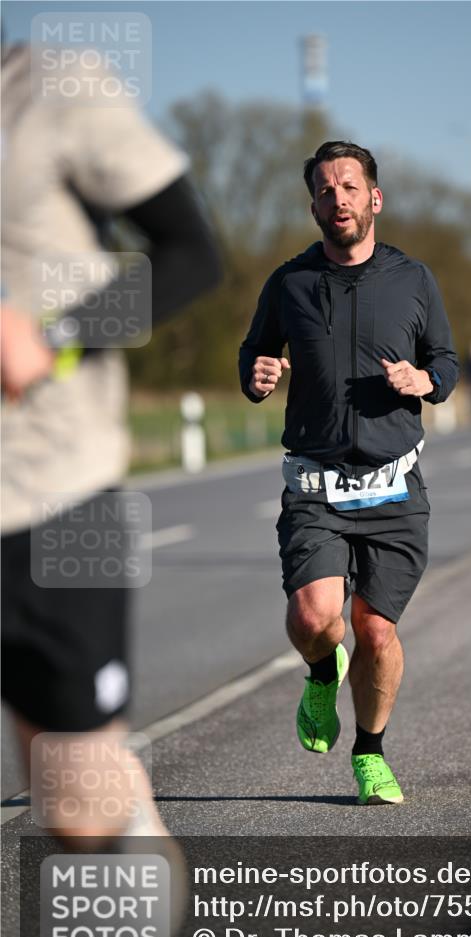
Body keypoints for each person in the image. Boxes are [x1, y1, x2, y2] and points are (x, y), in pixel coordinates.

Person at [1, 39, 221, 845]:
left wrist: (57, 338)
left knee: (78, 811)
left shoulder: (49, 91)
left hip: (51, 491)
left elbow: (193, 256)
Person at [239, 141, 458, 805]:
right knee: (315, 619)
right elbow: (254, 354)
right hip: (315, 485)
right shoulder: (290, 283)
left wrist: (425, 379)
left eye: (349, 187)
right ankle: (316, 672)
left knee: (375, 631)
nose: (338, 198)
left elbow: (444, 362)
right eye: (325, 190)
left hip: (395, 484)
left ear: (373, 198)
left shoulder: (413, 279)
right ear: (313, 206)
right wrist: (257, 376)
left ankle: (369, 753)